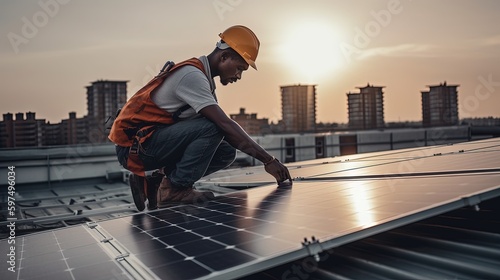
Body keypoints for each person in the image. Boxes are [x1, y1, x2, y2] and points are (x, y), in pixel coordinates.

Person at [109, 25, 292, 210]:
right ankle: (175, 189)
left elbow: (224, 133)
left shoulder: (204, 82)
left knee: (226, 151)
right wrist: (268, 160)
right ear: (224, 56)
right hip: (134, 149)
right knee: (214, 126)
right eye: (239, 68)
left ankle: (159, 182)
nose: (239, 76)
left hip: (149, 144)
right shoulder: (192, 76)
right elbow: (223, 124)